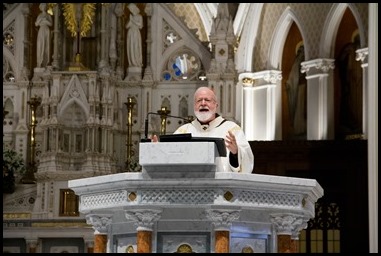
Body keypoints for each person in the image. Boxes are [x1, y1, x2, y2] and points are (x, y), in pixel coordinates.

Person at [153, 87, 254, 174]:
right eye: (199, 100)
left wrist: (235, 153)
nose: (203, 103)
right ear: (194, 106)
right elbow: (170, 160)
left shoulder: (231, 129)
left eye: (207, 100)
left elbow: (247, 164)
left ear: (216, 105)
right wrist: (159, 150)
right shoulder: (183, 131)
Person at [35, 3, 52, 68]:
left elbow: (50, 24)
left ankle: (46, 62)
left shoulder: (49, 15)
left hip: (47, 30)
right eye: (42, 6)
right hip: (41, 30)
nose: (44, 7)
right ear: (41, 7)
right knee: (40, 45)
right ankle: (40, 62)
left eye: (45, 6)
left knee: (47, 45)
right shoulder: (39, 15)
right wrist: (42, 19)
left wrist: (46, 20)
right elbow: (36, 24)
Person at [126, 3, 143, 68]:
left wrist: (132, 20)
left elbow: (140, 26)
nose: (131, 10)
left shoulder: (139, 16)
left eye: (131, 9)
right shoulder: (131, 17)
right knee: (130, 48)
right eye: (130, 9)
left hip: (136, 32)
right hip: (130, 33)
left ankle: (137, 62)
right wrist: (130, 21)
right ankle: (131, 63)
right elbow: (127, 26)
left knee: (136, 47)